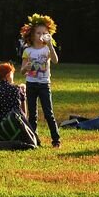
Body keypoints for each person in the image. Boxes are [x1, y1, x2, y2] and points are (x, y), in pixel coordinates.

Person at [20, 13, 61, 148]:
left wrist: (50, 45)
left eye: (44, 32)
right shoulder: (27, 50)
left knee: (49, 113)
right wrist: (26, 67)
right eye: (38, 33)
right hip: (31, 84)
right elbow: (22, 71)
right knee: (33, 115)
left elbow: (55, 60)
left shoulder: (47, 49)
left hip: (44, 85)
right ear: (31, 35)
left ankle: (56, 140)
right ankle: (34, 139)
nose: (41, 35)